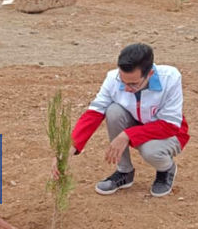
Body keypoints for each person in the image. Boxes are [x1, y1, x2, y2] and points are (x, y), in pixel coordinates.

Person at [55, 43, 190, 198]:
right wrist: (68, 149)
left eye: (133, 83)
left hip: (168, 133)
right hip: (137, 123)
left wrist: (127, 135)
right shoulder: (112, 78)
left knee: (151, 151)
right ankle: (124, 172)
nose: (126, 88)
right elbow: (94, 113)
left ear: (150, 74)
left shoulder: (171, 78)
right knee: (113, 111)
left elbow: (170, 125)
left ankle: (166, 169)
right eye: (123, 81)